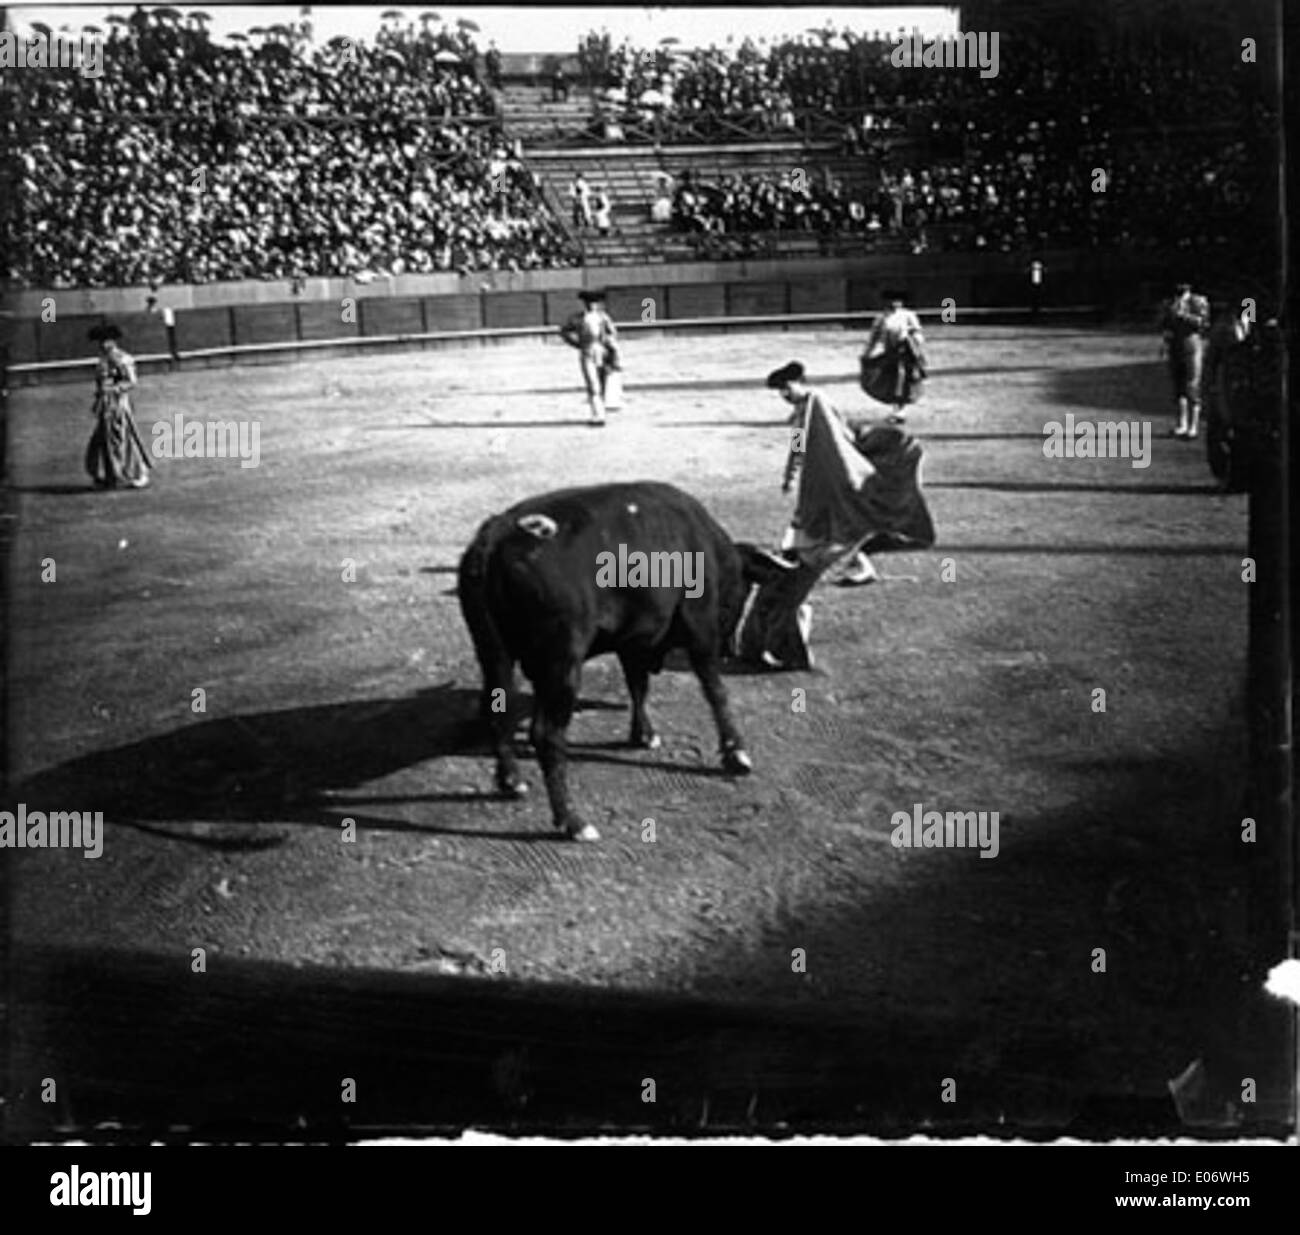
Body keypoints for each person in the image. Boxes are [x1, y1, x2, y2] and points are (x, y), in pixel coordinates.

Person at [736, 361, 935, 669]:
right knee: (830, 531)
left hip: (831, 480)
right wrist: (791, 474)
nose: (784, 396)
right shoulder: (807, 409)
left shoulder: (816, 404)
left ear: (800, 382)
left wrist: (803, 470)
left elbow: (836, 442)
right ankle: (857, 563)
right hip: (821, 483)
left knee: (829, 532)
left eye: (786, 389)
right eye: (780, 393)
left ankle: (854, 563)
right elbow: (803, 445)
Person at [85, 324, 151, 489]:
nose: (102, 344)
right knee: (103, 441)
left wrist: (113, 390)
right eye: (100, 341)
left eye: (105, 341)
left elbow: (131, 381)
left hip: (119, 403)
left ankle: (138, 473)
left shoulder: (122, 358)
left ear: (113, 341)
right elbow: (101, 384)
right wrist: (99, 399)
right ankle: (109, 476)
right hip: (105, 405)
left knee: (123, 437)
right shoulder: (103, 361)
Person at [860, 289, 926, 424]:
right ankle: (897, 410)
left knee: (902, 381)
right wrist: (866, 354)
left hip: (906, 354)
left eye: (898, 301)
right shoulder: (881, 318)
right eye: (892, 300)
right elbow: (873, 338)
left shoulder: (909, 315)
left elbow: (918, 334)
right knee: (891, 382)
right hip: (890, 354)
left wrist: (912, 340)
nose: (895, 303)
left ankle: (899, 411)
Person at [559, 289, 621, 425]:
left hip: (602, 352)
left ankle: (601, 413)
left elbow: (613, 334)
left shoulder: (603, 317)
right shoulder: (578, 318)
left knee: (602, 384)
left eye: (593, 303)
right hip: (587, 352)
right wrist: (577, 344)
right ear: (584, 303)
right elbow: (564, 332)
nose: (591, 305)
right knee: (593, 385)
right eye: (588, 303)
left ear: (597, 304)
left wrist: (613, 351)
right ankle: (597, 415)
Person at [1159, 280, 1211, 439]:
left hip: (1191, 344)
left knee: (1192, 385)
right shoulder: (1169, 303)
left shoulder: (1198, 301)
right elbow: (1164, 324)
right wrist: (1165, 341)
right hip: (1175, 345)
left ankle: (1193, 426)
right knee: (1178, 385)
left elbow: (1202, 323)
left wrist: (1183, 316)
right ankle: (1181, 424)